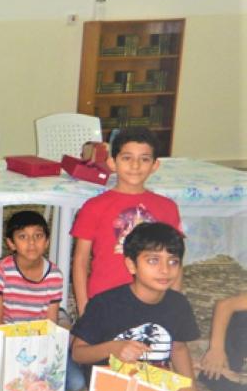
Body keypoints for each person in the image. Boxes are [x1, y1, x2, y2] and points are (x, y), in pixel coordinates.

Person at [71, 223, 241, 391]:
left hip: (160, 385)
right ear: (131, 264)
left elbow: (179, 348)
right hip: (118, 388)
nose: (164, 270)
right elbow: (78, 353)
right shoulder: (106, 304)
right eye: (153, 261)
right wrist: (114, 348)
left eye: (172, 261)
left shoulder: (177, 304)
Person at [71, 127, 182, 316]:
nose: (135, 166)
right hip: (104, 300)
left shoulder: (167, 207)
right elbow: (80, 261)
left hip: (153, 301)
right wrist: (84, 309)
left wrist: (174, 306)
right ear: (112, 163)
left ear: (155, 165)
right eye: (127, 158)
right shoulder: (94, 207)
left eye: (144, 159)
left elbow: (176, 260)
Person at [0, 210, 86, 391]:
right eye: (23, 237)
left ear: (46, 242)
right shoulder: (1, 272)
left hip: (41, 337)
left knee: (76, 383)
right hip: (11, 337)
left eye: (38, 236)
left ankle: (67, 325)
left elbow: (50, 322)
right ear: (11, 243)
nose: (31, 243)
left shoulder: (54, 275)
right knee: (12, 382)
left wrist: (43, 353)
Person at [198, 292, 247, 391]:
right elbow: (225, 305)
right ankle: (205, 369)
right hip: (238, 332)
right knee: (220, 368)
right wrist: (216, 349)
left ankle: (203, 372)